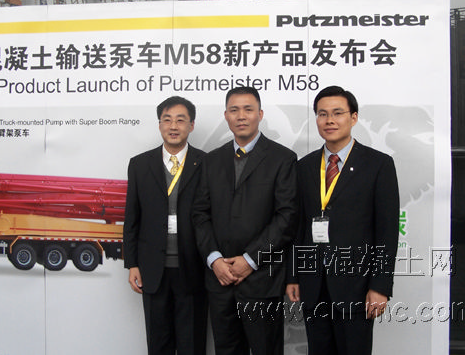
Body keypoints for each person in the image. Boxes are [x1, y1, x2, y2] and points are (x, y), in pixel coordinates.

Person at [286, 85, 399, 355]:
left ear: (354, 117)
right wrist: (293, 276)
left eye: (338, 113)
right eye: (322, 114)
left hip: (356, 285)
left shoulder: (378, 164)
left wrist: (380, 286)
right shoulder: (304, 167)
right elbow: (297, 227)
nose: (330, 120)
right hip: (313, 283)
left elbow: (387, 231)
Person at [193, 86, 298, 355]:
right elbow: (200, 215)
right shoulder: (211, 161)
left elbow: (286, 217)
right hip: (220, 280)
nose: (241, 116)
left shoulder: (282, 158)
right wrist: (215, 260)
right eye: (234, 110)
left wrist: (250, 260)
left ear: (260, 114)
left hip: (262, 280)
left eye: (248, 109)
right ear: (226, 116)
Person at [123, 96, 207, 355]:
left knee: (192, 344)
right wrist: (132, 263)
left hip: (193, 269)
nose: (173, 126)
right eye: (167, 120)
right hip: (152, 269)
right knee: (158, 344)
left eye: (180, 120)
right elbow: (132, 217)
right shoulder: (140, 164)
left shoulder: (207, 163)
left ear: (191, 125)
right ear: (159, 124)